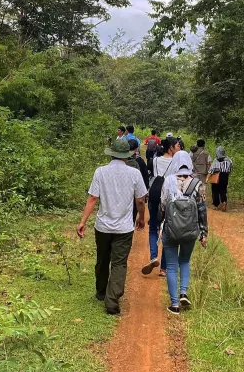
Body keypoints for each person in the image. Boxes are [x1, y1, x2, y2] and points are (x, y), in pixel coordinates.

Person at [77, 138, 148, 315]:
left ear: (112, 154)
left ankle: (101, 292)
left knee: (102, 258)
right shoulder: (134, 174)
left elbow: (93, 198)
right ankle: (112, 300)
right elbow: (140, 200)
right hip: (124, 228)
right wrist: (141, 218)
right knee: (119, 263)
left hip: (102, 226)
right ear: (126, 155)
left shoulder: (100, 172)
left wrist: (83, 221)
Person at [158, 157, 207, 314]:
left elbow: (163, 205)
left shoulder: (168, 181)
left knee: (171, 266)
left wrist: (160, 226)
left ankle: (174, 304)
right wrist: (203, 233)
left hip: (171, 230)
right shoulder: (198, 183)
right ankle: (183, 292)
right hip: (190, 230)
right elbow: (202, 210)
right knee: (185, 261)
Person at [141, 135, 181, 276]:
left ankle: (153, 257)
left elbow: (149, 174)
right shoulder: (176, 163)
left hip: (154, 195)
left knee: (153, 228)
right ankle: (164, 268)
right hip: (169, 199)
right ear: (171, 148)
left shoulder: (155, 160)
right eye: (177, 146)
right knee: (167, 231)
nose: (179, 148)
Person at [208, 146, 233, 211]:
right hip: (225, 176)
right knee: (223, 190)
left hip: (216, 176)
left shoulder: (216, 160)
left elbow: (211, 170)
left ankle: (216, 205)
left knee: (215, 190)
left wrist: (207, 177)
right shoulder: (229, 160)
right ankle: (224, 202)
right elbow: (230, 168)